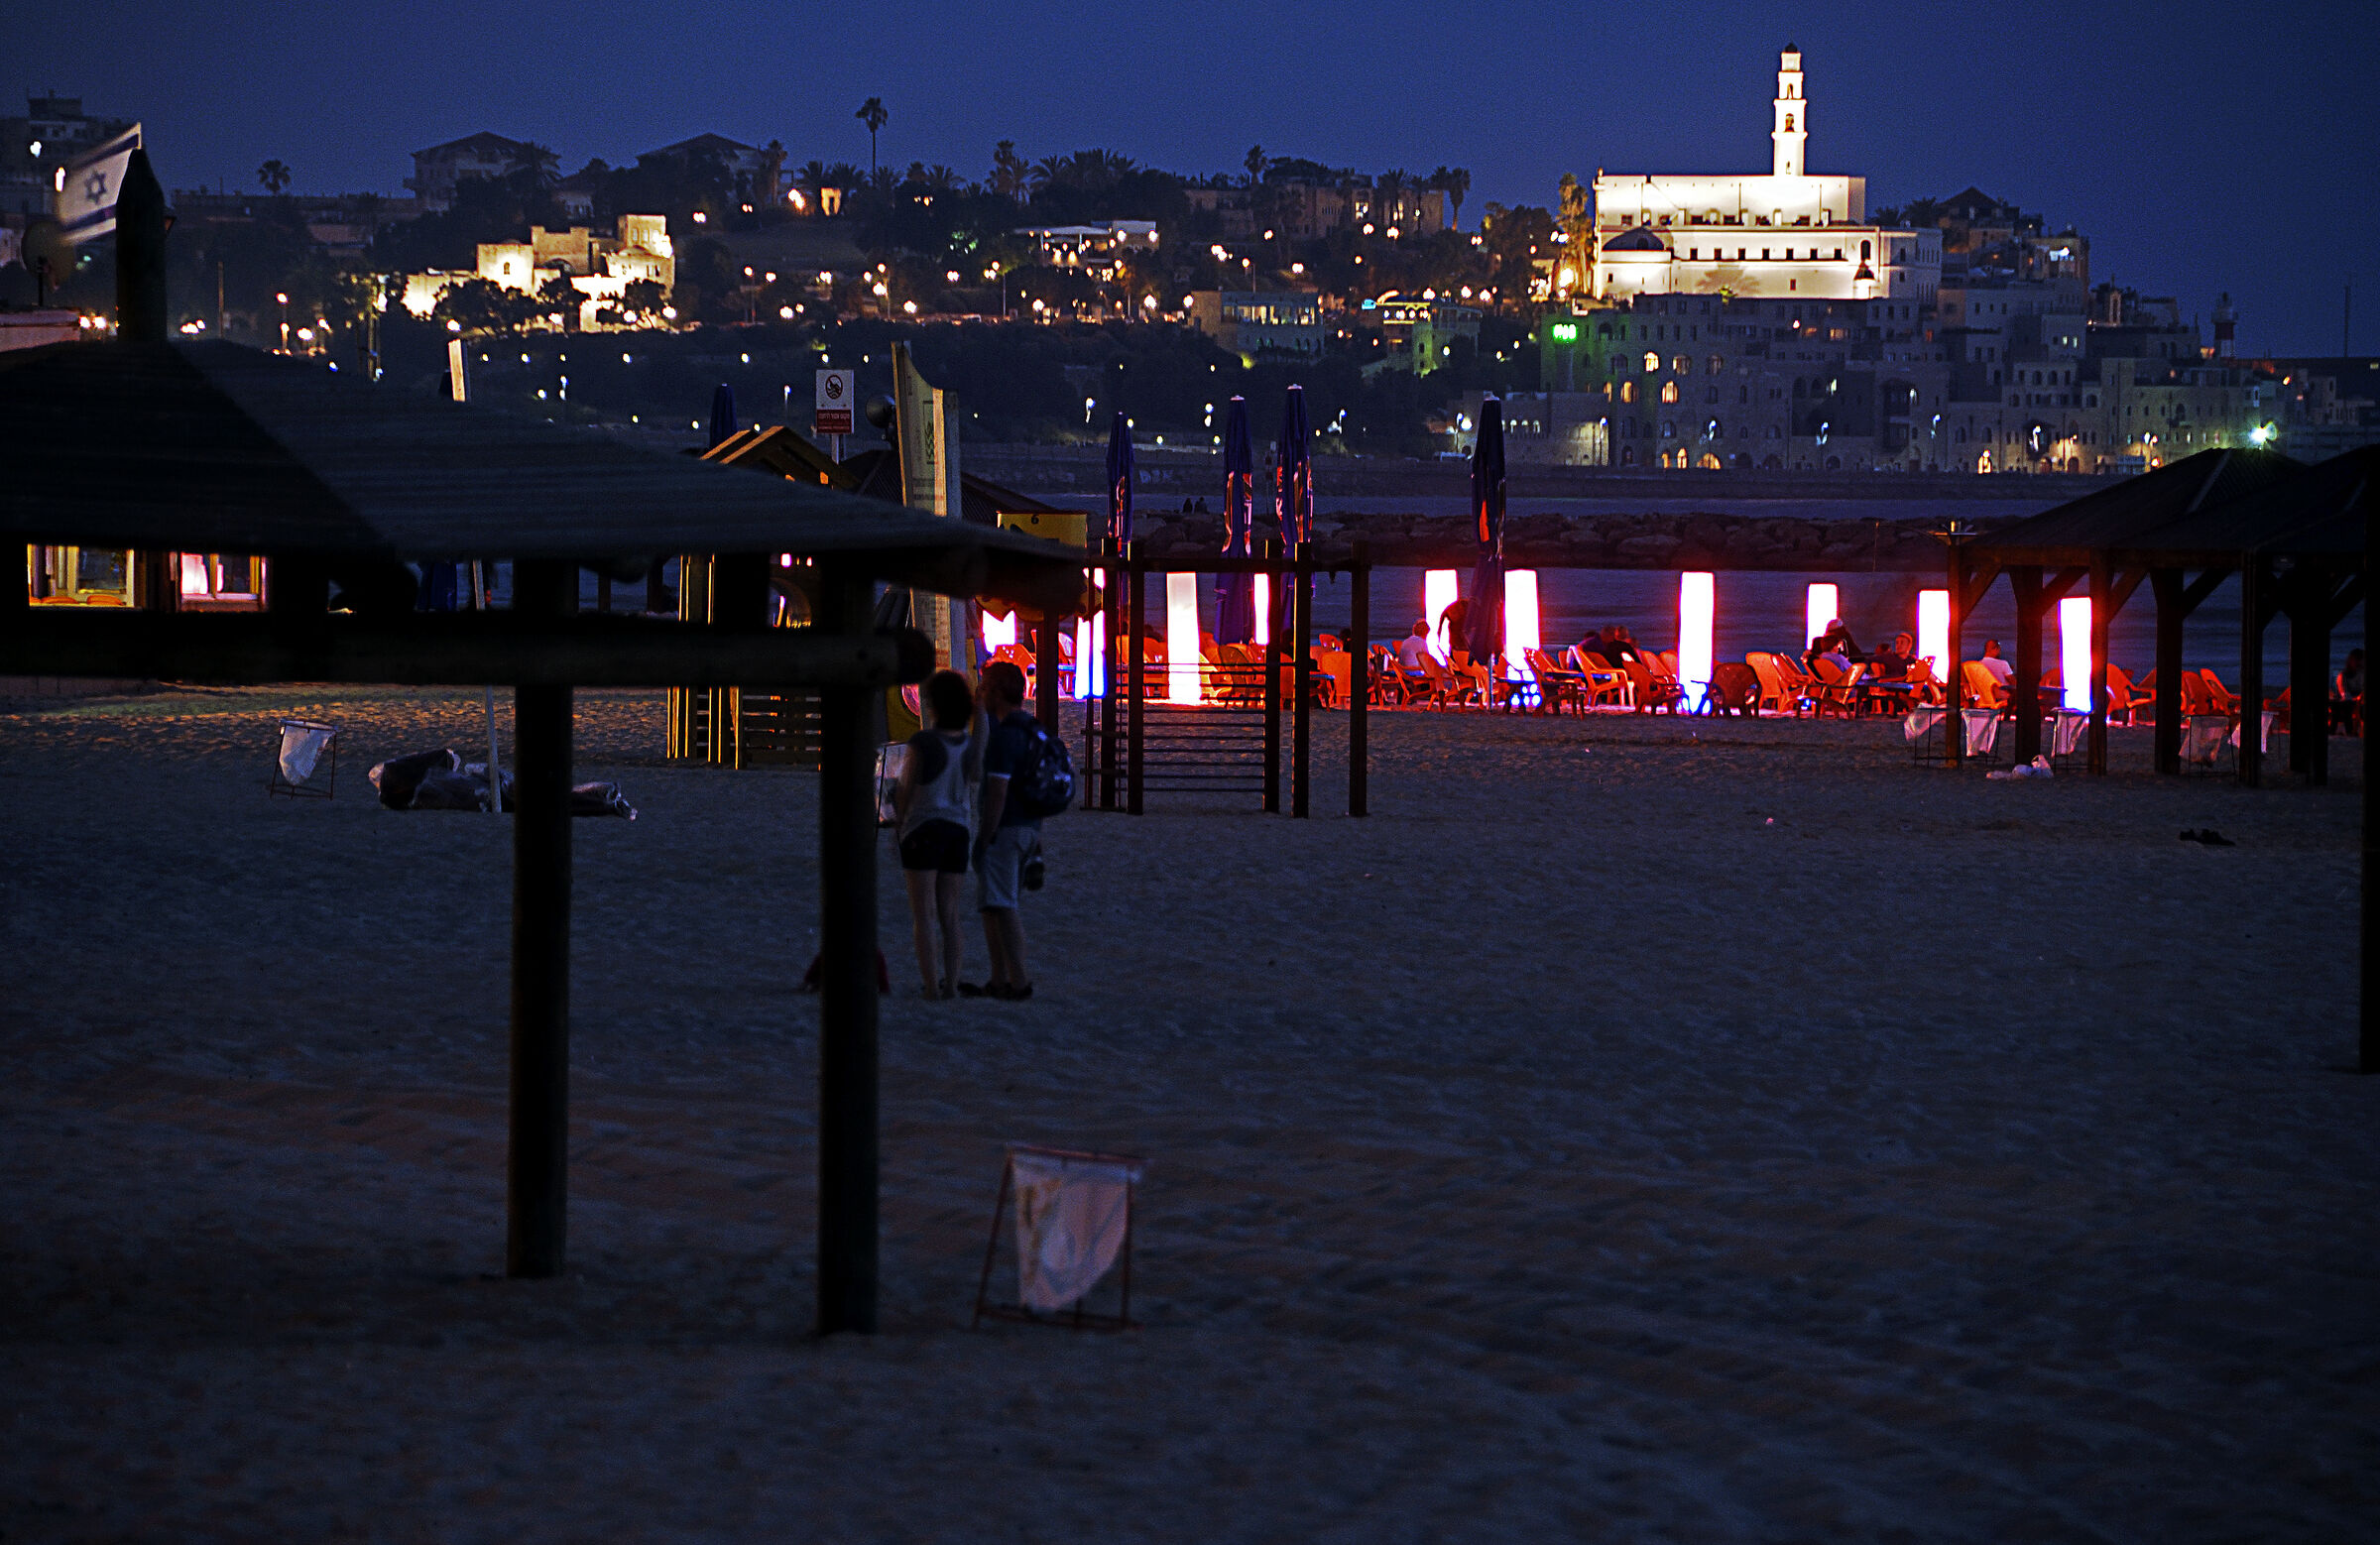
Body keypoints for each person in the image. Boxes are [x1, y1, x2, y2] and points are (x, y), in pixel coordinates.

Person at [892, 669, 981, 1000]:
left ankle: (931, 984)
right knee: (950, 912)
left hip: (924, 827)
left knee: (923, 913)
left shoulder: (924, 742)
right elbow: (975, 776)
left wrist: (899, 823)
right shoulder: (967, 743)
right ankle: (953, 984)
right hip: (958, 830)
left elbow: (907, 786)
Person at [968, 660, 1042, 1002]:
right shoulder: (1031, 727)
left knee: (1003, 904)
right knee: (995, 905)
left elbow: (997, 791)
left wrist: (985, 835)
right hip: (1029, 826)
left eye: (983, 687)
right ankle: (999, 979)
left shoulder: (1002, 736)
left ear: (996, 692)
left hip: (1006, 827)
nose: (978, 692)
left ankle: (1018, 981)